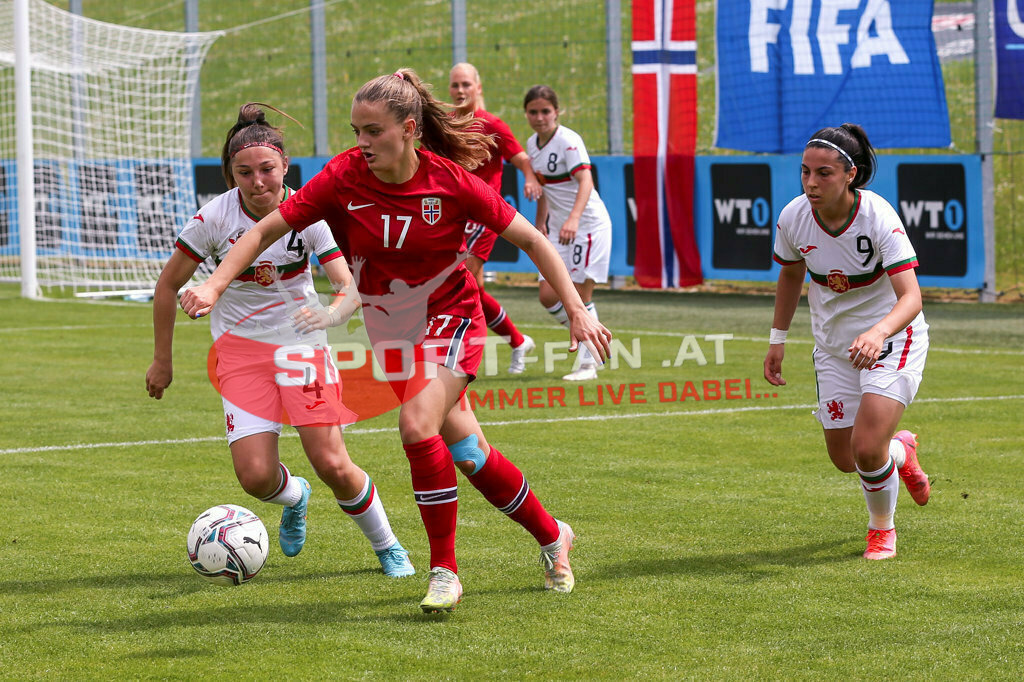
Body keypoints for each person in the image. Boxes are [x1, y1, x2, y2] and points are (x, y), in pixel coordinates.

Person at [178, 71, 613, 613]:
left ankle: (444, 572)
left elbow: (530, 238)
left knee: (415, 425)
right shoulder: (344, 176)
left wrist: (576, 310)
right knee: (471, 453)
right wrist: (216, 284)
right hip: (394, 334)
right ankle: (554, 537)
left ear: (409, 129)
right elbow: (264, 231)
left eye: (373, 131)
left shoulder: (450, 181)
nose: (361, 142)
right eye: (356, 130)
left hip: (452, 319)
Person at [146, 103, 415, 578]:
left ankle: (388, 546)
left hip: (301, 350)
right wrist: (161, 362)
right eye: (244, 172)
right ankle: (296, 496)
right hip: (239, 356)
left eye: (267, 169)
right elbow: (167, 286)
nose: (257, 182)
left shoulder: (309, 215)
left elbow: (349, 288)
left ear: (285, 166)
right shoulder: (212, 219)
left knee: (331, 461)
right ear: (231, 174)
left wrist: (330, 314)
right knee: (254, 477)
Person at [764, 123, 931, 561]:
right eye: (805, 172)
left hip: (893, 340)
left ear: (850, 174)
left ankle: (882, 531)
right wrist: (777, 339)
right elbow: (790, 273)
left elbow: (911, 297)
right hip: (835, 349)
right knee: (846, 459)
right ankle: (902, 449)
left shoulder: (877, 216)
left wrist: (878, 332)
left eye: (824, 174)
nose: (811, 183)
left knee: (865, 448)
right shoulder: (793, 217)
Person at [448, 62, 542, 374]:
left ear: (478, 88)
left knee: (465, 282)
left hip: (484, 214)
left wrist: (529, 178)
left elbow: (521, 158)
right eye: (455, 85)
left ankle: (461, 355)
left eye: (466, 85)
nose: (460, 91)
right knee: (468, 286)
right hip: (454, 214)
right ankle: (516, 341)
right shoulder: (446, 125)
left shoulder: (492, 125)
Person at [523, 85, 613, 382]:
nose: (540, 117)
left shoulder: (569, 141)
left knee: (579, 295)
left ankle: (589, 363)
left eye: (545, 111)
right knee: (548, 295)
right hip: (560, 230)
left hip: (587, 226)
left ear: (557, 112)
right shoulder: (532, 145)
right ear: (526, 114)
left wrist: (573, 219)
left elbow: (586, 180)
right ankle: (593, 332)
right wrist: (540, 224)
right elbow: (546, 190)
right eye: (533, 112)